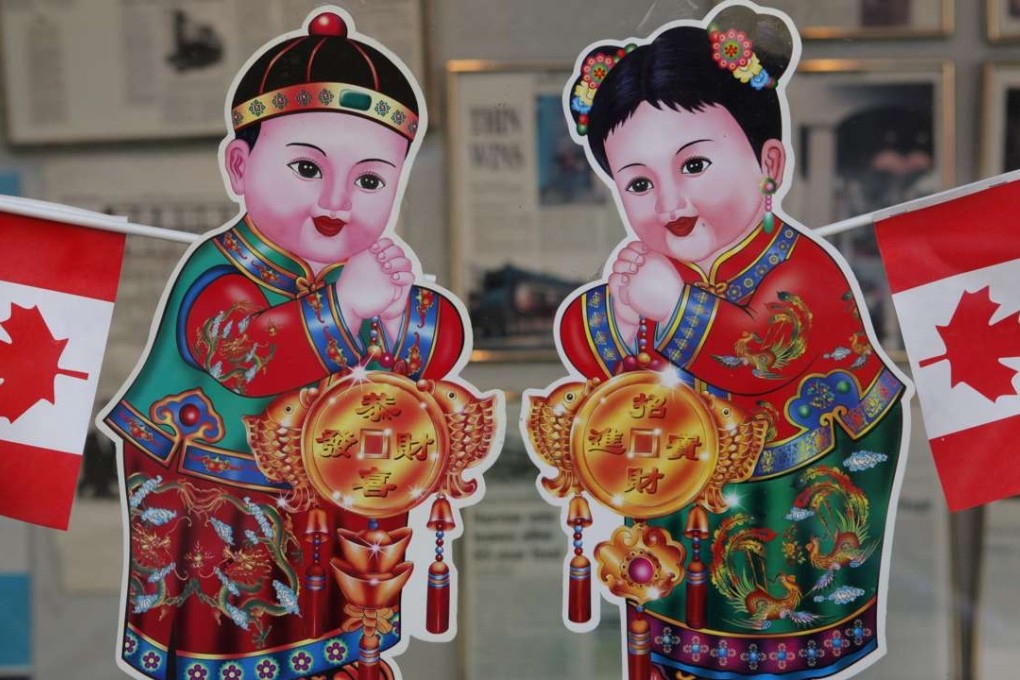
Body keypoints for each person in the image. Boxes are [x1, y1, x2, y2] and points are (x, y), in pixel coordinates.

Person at [100, 9, 466, 680]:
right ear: (239, 166)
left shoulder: (353, 269)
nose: (337, 200)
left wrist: (400, 310)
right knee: (241, 646)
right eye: (306, 168)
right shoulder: (221, 266)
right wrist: (347, 307)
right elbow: (238, 355)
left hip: (326, 502)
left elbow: (423, 354)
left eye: (370, 181)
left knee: (332, 644)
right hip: (219, 492)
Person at [549, 3, 911, 678]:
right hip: (683, 498)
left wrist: (670, 304)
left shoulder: (801, 265)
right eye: (638, 182)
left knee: (759, 640)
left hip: (790, 498)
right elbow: (585, 333)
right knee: (669, 640)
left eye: (694, 165)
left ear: (769, 162)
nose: (670, 203)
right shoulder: (662, 269)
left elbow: (759, 352)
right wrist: (627, 317)